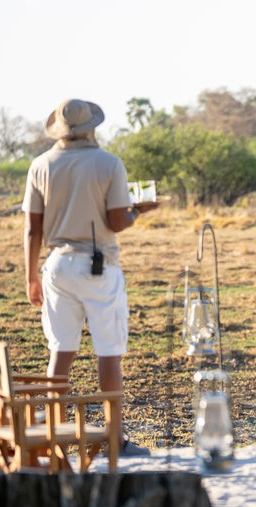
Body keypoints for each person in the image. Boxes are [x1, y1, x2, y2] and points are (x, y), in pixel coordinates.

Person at [22, 98, 157, 457]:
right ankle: (114, 439)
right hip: (99, 266)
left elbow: (32, 229)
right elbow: (117, 221)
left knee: (59, 352)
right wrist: (137, 212)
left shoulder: (41, 165)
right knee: (109, 354)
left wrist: (31, 276)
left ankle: (55, 436)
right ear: (91, 127)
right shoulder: (108, 163)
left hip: (56, 266)